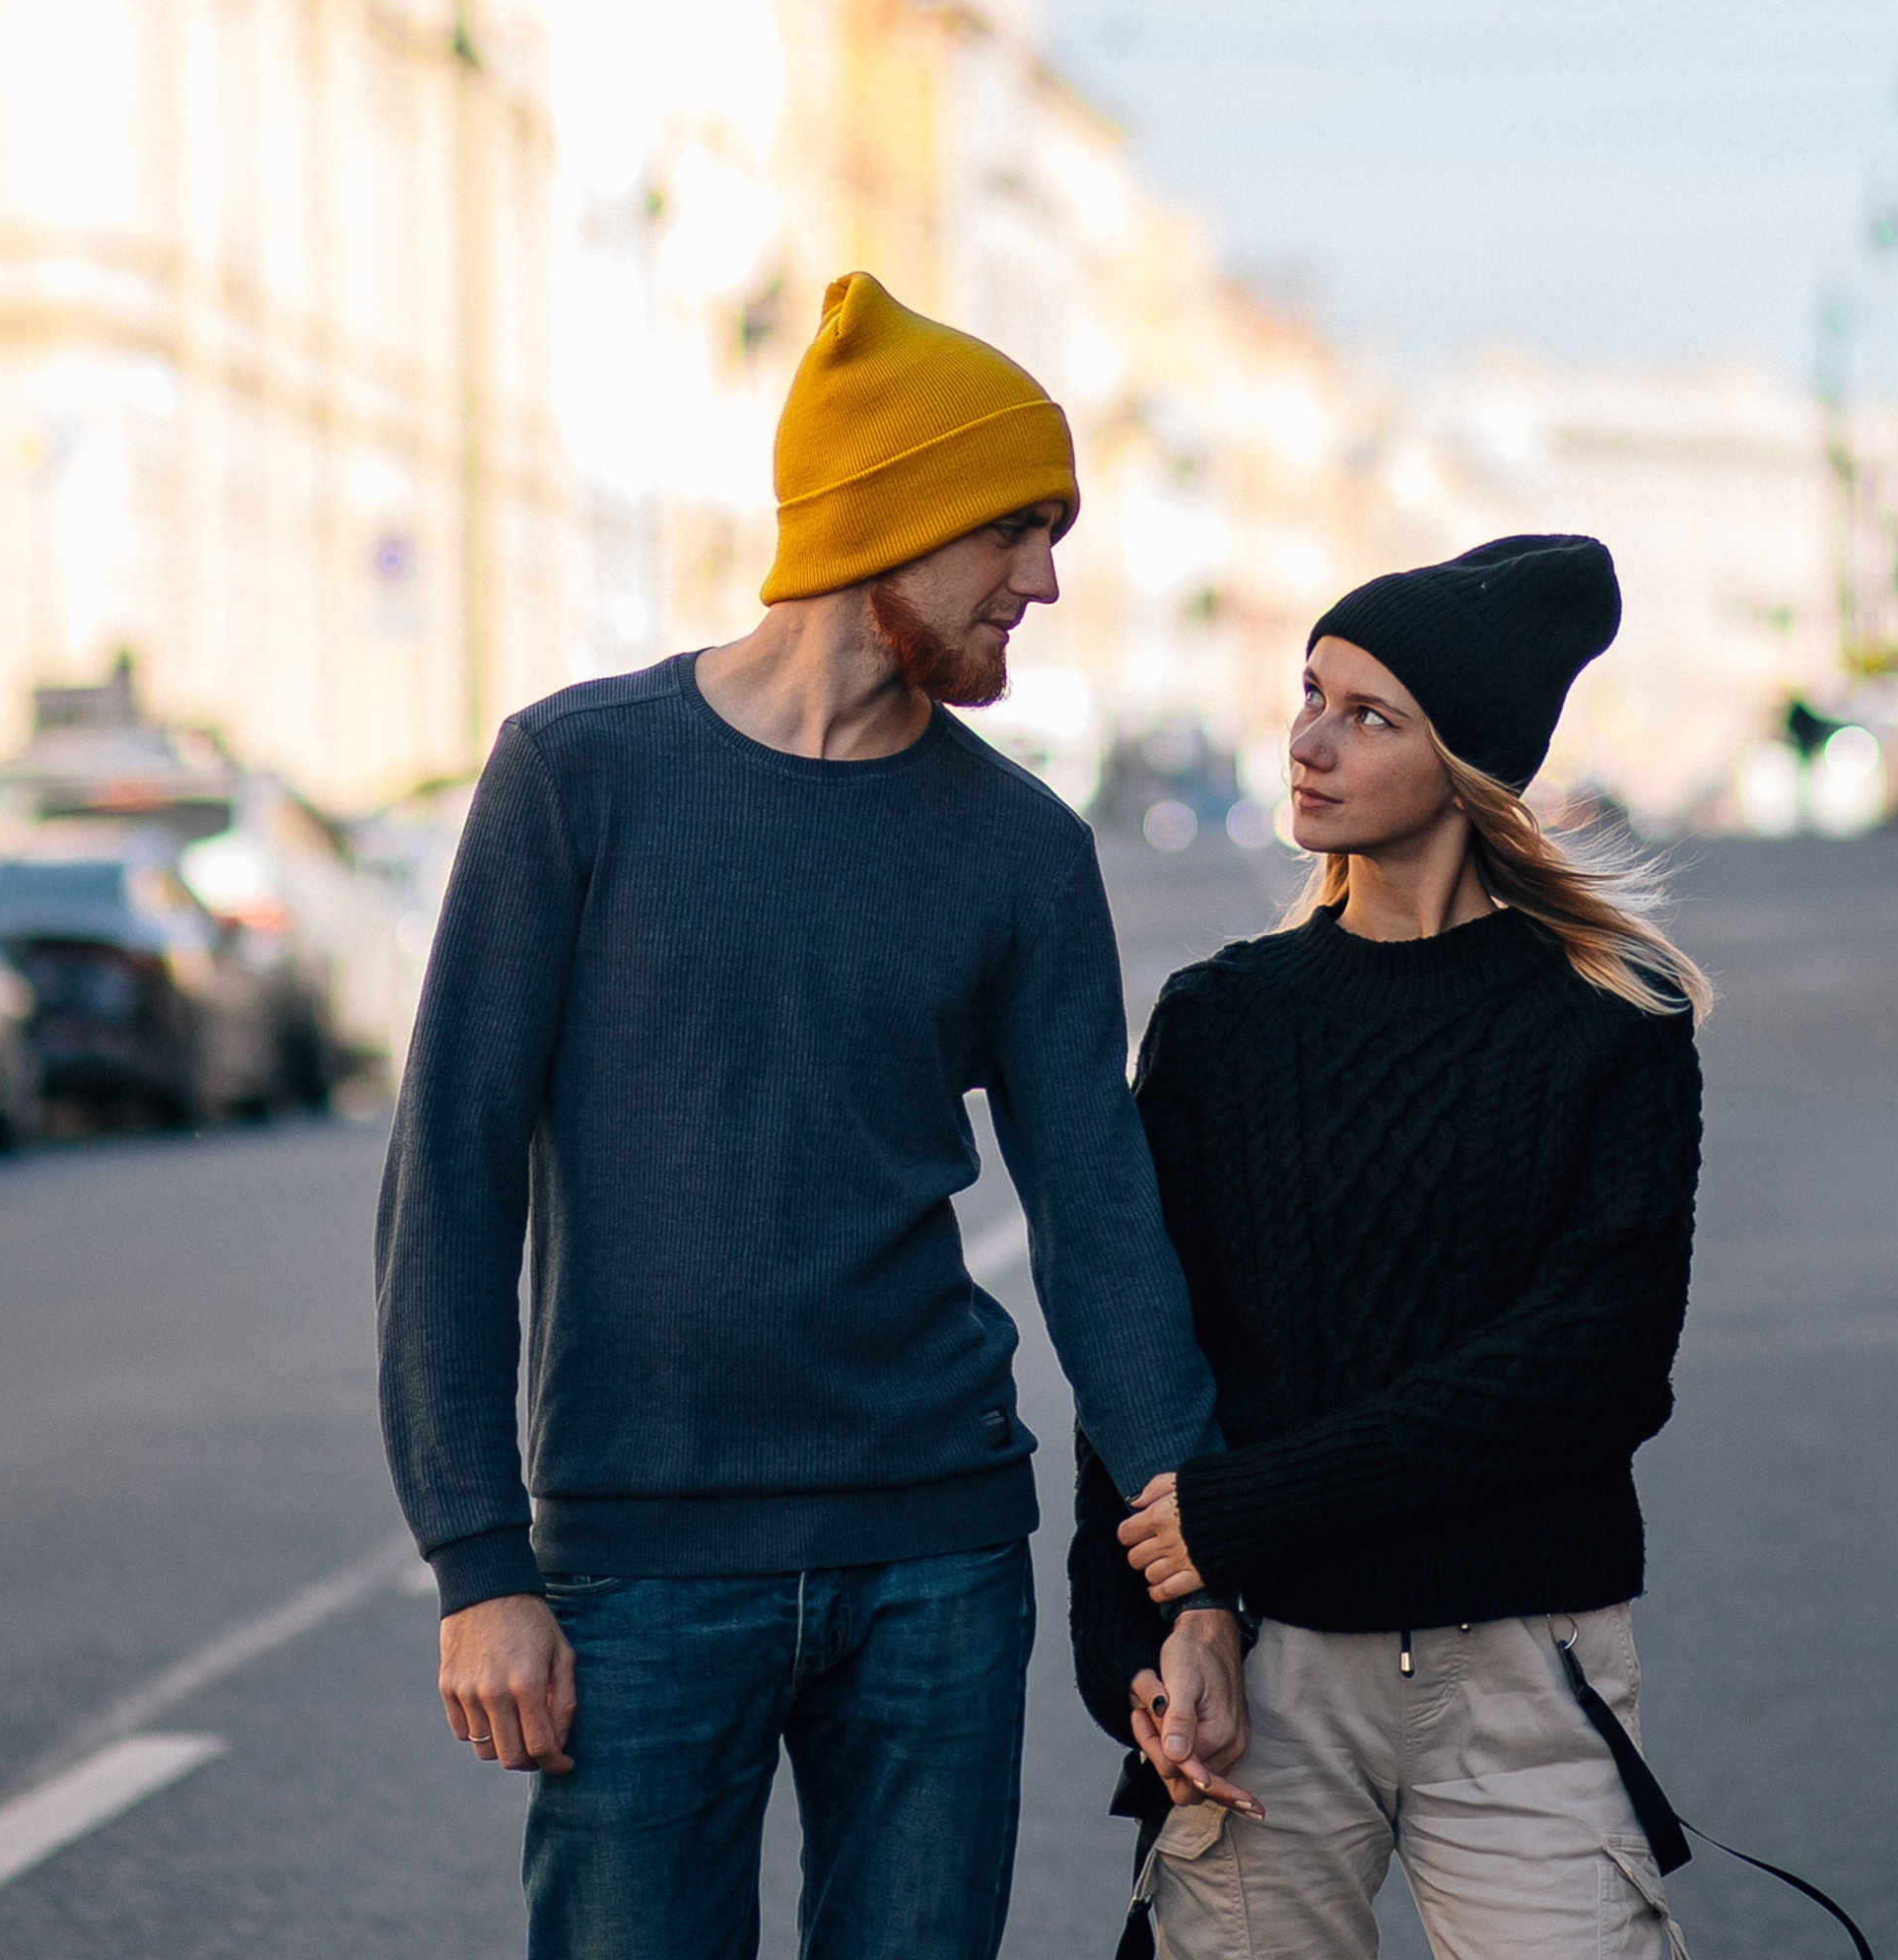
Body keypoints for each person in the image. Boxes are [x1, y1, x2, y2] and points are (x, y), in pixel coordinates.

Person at [377, 274, 1249, 1960]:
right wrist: (478, 1560)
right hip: (637, 1570)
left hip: (935, 1556)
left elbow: (1100, 1224)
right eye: (1015, 528)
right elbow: (454, 1180)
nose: (1046, 579)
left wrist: (1192, 1572)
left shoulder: (1020, 848)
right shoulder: (579, 778)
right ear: (887, 519)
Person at [1070, 532, 1707, 1959]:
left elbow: (1596, 1366)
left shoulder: (1612, 1016)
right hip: (1263, 1674)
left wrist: (1255, 1511)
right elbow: (1144, 1346)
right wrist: (1148, 1639)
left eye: (1369, 715)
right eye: (1309, 695)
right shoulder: (1225, 1021)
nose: (1310, 741)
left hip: (1523, 1671)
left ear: (1469, 763)